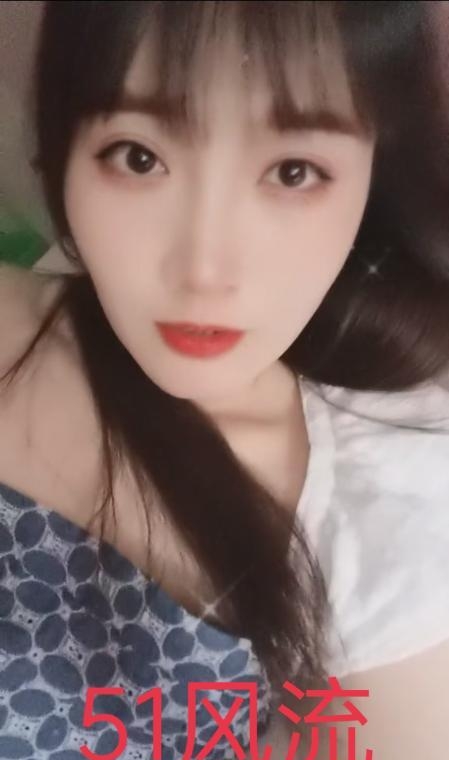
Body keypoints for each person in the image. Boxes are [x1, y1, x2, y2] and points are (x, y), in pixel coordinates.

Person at [0, 1, 448, 758]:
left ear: (374, 177)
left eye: (293, 171)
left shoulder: (380, 514)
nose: (203, 271)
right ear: (63, 147)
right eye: (137, 157)